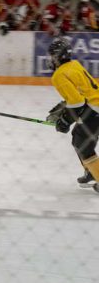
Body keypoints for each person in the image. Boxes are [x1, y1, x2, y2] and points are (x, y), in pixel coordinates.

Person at [46, 39, 99, 193]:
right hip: (94, 105)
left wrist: (64, 120)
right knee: (79, 138)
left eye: (52, 56)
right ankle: (91, 171)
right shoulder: (74, 64)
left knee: (83, 144)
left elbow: (77, 102)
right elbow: (79, 94)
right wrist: (64, 108)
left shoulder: (58, 75)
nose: (50, 59)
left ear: (58, 57)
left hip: (95, 109)